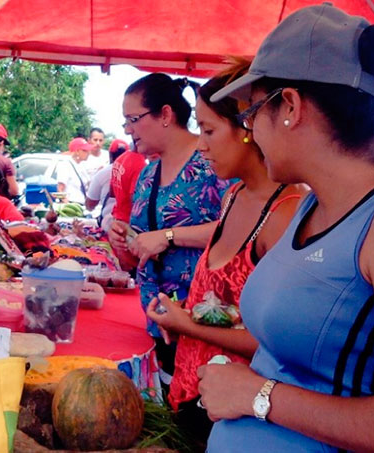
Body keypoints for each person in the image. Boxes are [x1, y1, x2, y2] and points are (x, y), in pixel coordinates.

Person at [194, 6, 374, 452]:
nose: (250, 133)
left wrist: (255, 395)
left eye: (250, 115)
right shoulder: (311, 203)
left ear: (289, 106)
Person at [144, 59, 306, 446]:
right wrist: (184, 312)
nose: (201, 145)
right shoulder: (232, 196)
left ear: (249, 128)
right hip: (191, 395)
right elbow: (223, 302)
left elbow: (276, 343)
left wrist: (189, 326)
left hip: (235, 418)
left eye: (209, 130)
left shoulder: (286, 214)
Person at [107, 73, 230, 390]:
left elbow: (239, 231)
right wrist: (125, 238)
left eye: (133, 119)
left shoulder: (212, 162)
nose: (127, 130)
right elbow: (144, 242)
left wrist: (169, 236)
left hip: (205, 323)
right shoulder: (148, 174)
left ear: (165, 114)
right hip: (159, 321)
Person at [85, 139, 129, 231]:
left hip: (110, 224)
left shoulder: (103, 173)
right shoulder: (143, 172)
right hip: (133, 228)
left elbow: (89, 205)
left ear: (110, 155)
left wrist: (165, 237)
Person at [110, 142, 147, 230]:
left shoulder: (120, 158)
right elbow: (135, 200)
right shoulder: (140, 164)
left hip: (117, 218)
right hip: (129, 223)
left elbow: (111, 192)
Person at [58, 137, 93, 204]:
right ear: (77, 151)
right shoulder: (65, 165)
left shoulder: (81, 165)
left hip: (82, 203)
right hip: (72, 203)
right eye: (85, 150)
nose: (88, 153)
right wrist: (67, 205)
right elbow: (60, 189)